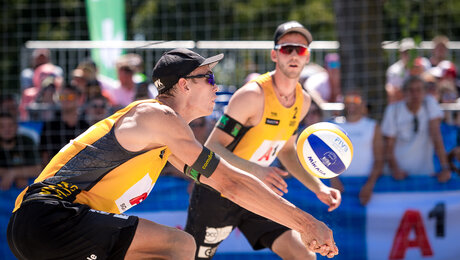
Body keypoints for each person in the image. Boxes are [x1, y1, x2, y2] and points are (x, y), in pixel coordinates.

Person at [7, 48, 338, 260]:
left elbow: (227, 184)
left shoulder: (166, 139)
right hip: (51, 218)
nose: (215, 85)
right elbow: (231, 184)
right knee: (178, 246)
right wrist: (307, 224)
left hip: (43, 225)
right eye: (207, 77)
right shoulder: (158, 118)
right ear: (184, 85)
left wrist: (302, 223)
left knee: (171, 248)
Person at [185, 21, 341, 259]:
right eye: (287, 48)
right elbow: (212, 147)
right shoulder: (252, 95)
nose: (294, 54)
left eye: (300, 49)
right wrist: (256, 170)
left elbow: (287, 151)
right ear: (274, 55)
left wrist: (318, 187)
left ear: (307, 56)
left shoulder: (304, 101)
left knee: (304, 255)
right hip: (219, 191)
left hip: (256, 192)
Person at [381, 76, 451, 182]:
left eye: (419, 90)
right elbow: (388, 146)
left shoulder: (429, 104)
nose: (415, 94)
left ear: (424, 92)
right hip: (397, 176)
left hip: (424, 174)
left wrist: (445, 168)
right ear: (404, 93)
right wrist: (395, 170)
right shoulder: (393, 110)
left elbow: (436, 136)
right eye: (411, 90)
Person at [331, 90, 384, 205]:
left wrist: (370, 185)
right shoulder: (334, 126)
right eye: (348, 99)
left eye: (356, 99)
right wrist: (333, 180)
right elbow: (327, 157)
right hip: (340, 187)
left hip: (365, 185)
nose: (352, 103)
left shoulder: (373, 126)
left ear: (364, 103)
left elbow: (379, 160)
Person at [39, 84, 90, 166]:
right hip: (54, 173)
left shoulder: (86, 127)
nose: (65, 100)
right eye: (62, 97)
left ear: (80, 99)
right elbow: (44, 157)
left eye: (70, 96)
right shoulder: (49, 126)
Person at [0, 112, 41, 190]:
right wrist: (17, 175)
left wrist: (14, 173)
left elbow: (38, 170)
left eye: (10, 125)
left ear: (16, 127)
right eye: (2, 126)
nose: (7, 129)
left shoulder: (26, 141)